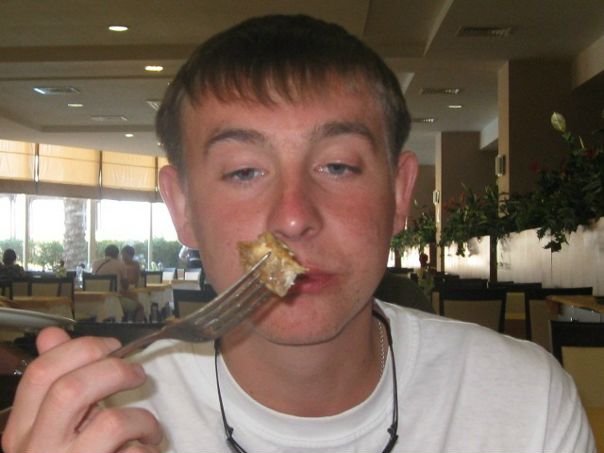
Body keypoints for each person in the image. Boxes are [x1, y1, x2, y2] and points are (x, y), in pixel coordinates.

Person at [2, 15, 594, 453]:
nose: (292, 217)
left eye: (337, 166)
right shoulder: (104, 414)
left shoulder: (525, 401)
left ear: (398, 195)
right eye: (243, 172)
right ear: (182, 208)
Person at [92, 244, 144, 322]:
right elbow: (125, 286)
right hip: (114, 301)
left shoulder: (95, 263)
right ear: (117, 254)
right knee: (140, 307)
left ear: (105, 253)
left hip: (97, 301)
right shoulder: (120, 264)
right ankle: (135, 328)